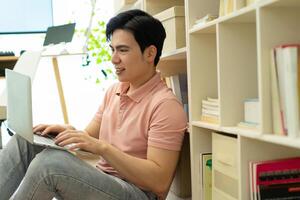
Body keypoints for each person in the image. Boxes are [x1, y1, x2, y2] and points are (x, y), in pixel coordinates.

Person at [0, 9, 187, 200]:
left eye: (123, 50)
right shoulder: (114, 91)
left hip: (137, 193)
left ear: (150, 53)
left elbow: (159, 181)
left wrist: (103, 147)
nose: (114, 59)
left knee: (49, 165)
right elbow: (88, 138)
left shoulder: (165, 106)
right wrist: (66, 131)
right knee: (25, 142)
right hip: (105, 181)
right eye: (112, 49)